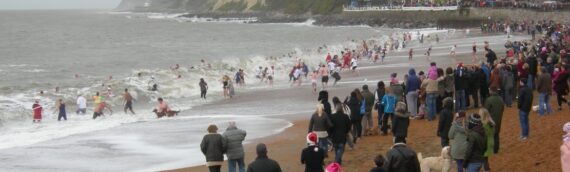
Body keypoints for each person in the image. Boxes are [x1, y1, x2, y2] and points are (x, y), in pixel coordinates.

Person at [330, 100, 352, 164]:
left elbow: (330, 126)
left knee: (337, 149)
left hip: (334, 136)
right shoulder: (345, 116)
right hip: (342, 135)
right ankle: (337, 161)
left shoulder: (332, 116)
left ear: (336, 109)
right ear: (342, 109)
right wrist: (346, 131)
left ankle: (338, 161)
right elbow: (349, 126)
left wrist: (330, 133)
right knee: (341, 149)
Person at [483, 87, 504, 153]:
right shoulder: (500, 99)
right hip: (498, 119)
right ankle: (496, 149)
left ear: (491, 91)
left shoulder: (489, 100)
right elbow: (502, 108)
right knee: (496, 134)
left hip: (490, 120)